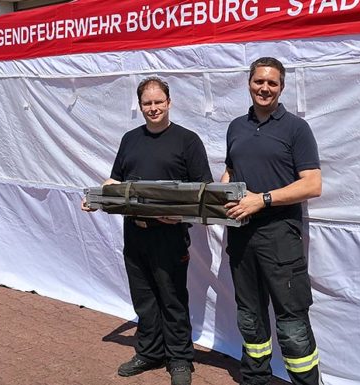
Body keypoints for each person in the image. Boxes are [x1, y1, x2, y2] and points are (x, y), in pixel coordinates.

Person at [82, 76, 212, 385]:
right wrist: (97, 199)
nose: (153, 108)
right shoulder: (130, 139)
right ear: (139, 106)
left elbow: (205, 190)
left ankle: (180, 358)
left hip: (169, 235)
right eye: (147, 103)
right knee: (144, 298)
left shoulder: (187, 140)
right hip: (135, 233)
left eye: (158, 102)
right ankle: (150, 351)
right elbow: (115, 182)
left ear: (169, 103)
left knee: (172, 297)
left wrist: (178, 216)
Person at [222, 57, 323, 385]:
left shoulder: (296, 128)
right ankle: (255, 380)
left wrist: (260, 200)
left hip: (280, 236)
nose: (264, 88)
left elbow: (312, 184)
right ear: (249, 83)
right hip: (240, 236)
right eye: (258, 81)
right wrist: (219, 195)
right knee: (249, 318)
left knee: (292, 325)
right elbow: (231, 171)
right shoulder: (236, 126)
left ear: (281, 87)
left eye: (272, 83)